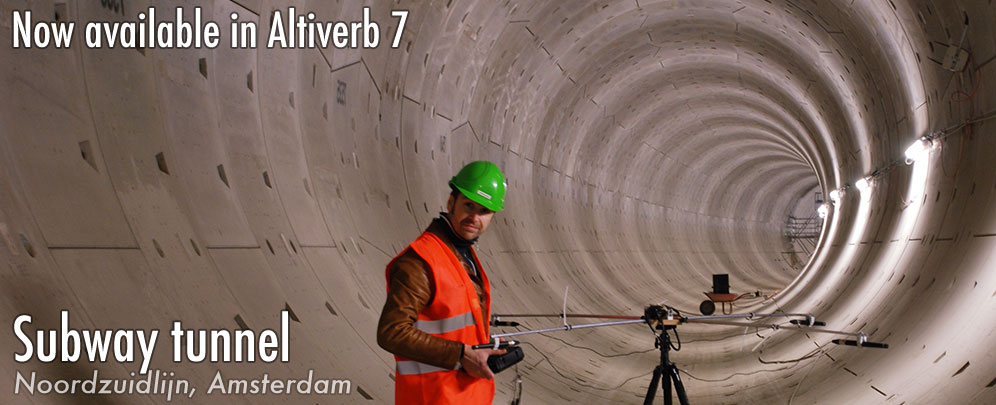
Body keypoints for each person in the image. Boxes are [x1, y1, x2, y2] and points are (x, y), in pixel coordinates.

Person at [377, 161, 509, 404]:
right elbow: (391, 332)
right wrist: (461, 354)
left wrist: (481, 347)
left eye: (483, 211)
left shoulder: (461, 254)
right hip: (433, 397)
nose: (474, 217)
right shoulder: (421, 262)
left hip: (463, 395)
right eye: (468, 206)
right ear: (451, 203)